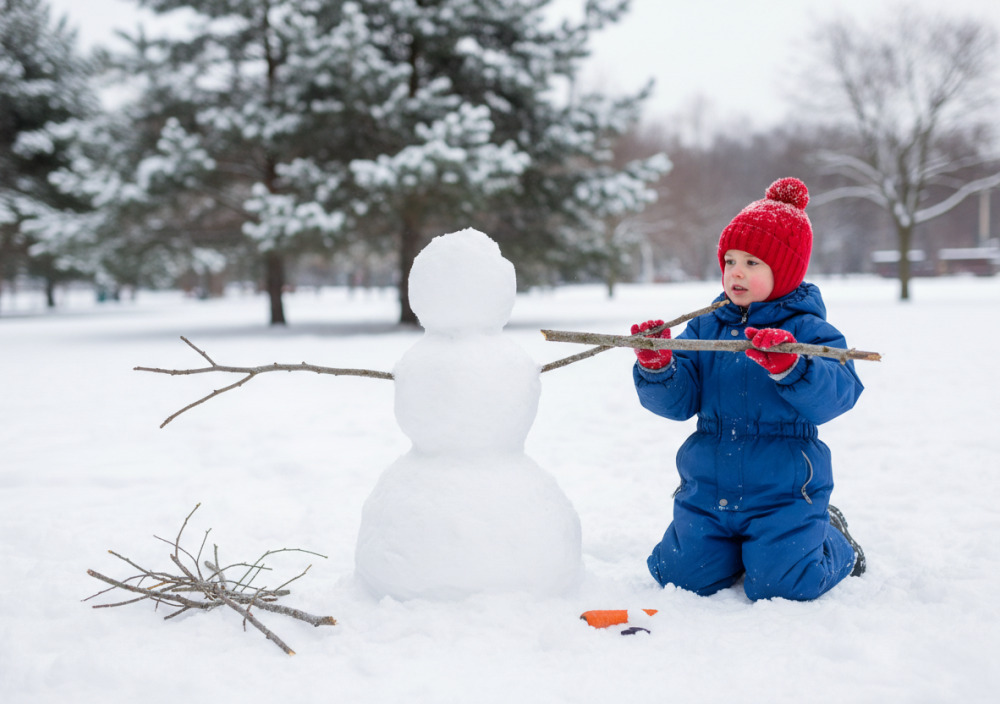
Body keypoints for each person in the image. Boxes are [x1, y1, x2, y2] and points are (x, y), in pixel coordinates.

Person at [631, 177, 865, 602]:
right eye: (730, 260)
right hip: (708, 487)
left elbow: (839, 393)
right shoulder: (706, 327)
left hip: (784, 491)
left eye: (753, 263)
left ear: (786, 270)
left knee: (784, 586)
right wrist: (659, 367)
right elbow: (679, 402)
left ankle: (832, 538)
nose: (735, 271)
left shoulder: (809, 330)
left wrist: (793, 367)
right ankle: (738, 551)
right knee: (678, 576)